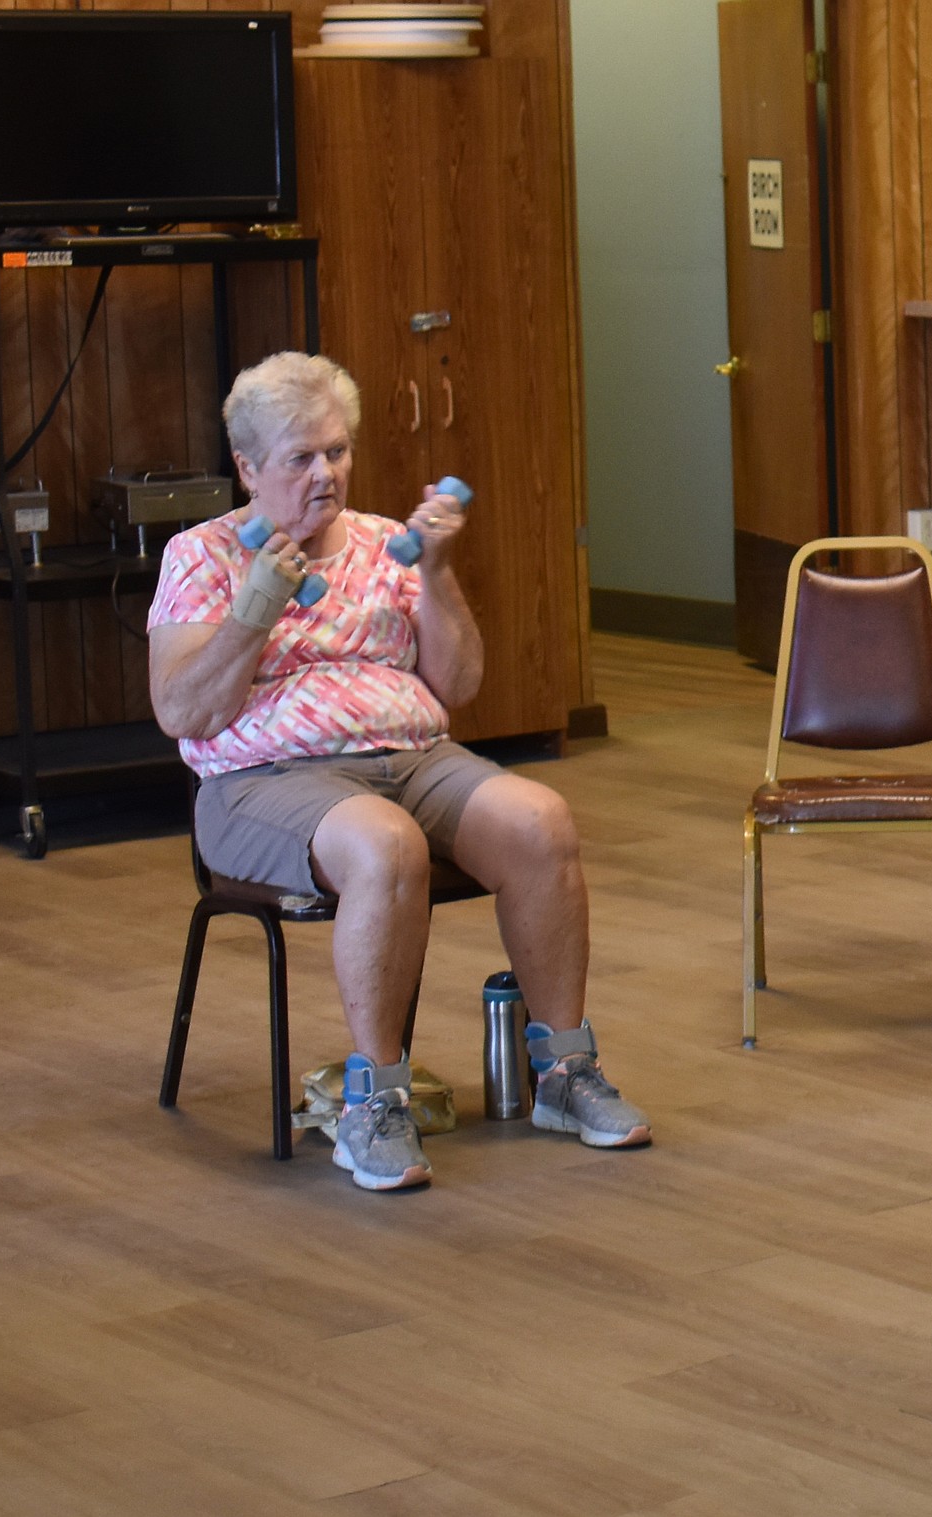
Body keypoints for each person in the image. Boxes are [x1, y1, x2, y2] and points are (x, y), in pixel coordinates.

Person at [147, 351, 650, 1191]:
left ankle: (564, 1071)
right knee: (387, 848)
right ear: (247, 466)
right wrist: (255, 609)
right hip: (263, 782)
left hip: (414, 755)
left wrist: (438, 573)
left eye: (337, 452)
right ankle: (373, 1103)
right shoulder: (202, 556)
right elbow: (183, 711)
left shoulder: (389, 545)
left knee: (542, 822)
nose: (326, 474)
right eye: (301, 458)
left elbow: (459, 684)